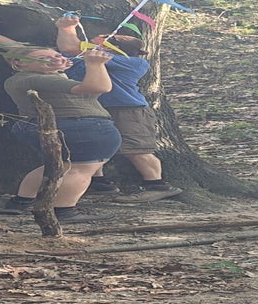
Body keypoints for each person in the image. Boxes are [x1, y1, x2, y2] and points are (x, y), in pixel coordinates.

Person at [55, 16, 182, 202]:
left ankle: (157, 185)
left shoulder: (134, 63)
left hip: (128, 110)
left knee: (135, 148)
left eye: (98, 43)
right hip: (95, 108)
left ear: (112, 48)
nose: (91, 45)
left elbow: (71, 48)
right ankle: (99, 183)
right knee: (96, 145)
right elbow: (66, 52)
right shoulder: (88, 60)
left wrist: (67, 28)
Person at [0, 46, 122, 223]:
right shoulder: (35, 79)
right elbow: (98, 87)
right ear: (19, 62)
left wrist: (59, 68)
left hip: (48, 126)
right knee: (80, 169)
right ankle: (64, 210)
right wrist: (95, 64)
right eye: (44, 58)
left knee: (58, 166)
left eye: (57, 55)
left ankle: (21, 202)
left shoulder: (27, 79)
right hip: (82, 128)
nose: (56, 58)